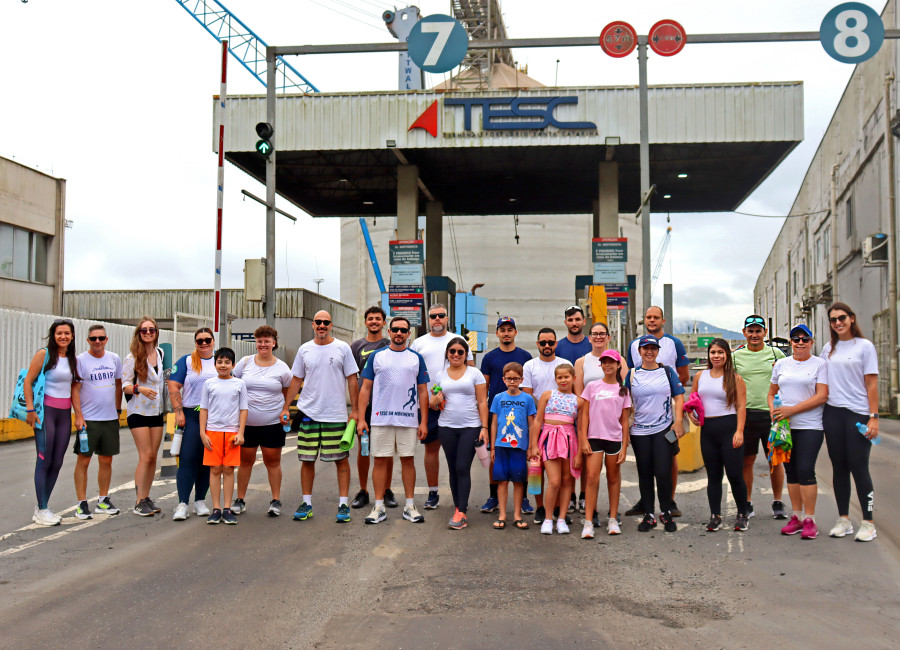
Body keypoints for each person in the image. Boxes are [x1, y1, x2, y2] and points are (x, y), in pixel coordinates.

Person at [280, 311, 359, 524]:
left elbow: (352, 380)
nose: (322, 325)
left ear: (330, 325)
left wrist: (356, 410)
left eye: (326, 322)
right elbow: (296, 380)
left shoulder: (343, 348)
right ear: (313, 325)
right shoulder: (305, 349)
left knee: (341, 460)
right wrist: (286, 407)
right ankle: (307, 503)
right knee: (307, 460)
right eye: (318, 322)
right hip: (308, 413)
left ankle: (343, 504)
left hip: (335, 414)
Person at [358, 316, 429, 525]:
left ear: (409, 334)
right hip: (381, 419)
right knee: (380, 460)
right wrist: (362, 419)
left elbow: (423, 391)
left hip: (408, 420)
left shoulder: (416, 358)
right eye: (395, 329)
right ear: (389, 332)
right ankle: (378, 506)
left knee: (408, 460)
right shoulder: (377, 357)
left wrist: (423, 421)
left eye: (403, 330)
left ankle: (409, 506)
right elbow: (365, 388)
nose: (399, 333)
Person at [821, 302, 879, 542]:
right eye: (833, 320)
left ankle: (868, 523)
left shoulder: (864, 347)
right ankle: (843, 519)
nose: (838, 323)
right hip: (833, 412)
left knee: (859, 465)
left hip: (858, 414)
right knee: (839, 466)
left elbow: (872, 384)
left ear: (852, 318)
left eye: (842, 318)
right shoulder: (828, 348)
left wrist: (873, 417)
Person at [625, 306, 689, 518]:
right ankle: (647, 504)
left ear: (663, 320)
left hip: (665, 414)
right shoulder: (634, 345)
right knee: (645, 468)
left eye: (656, 317)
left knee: (667, 462)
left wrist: (673, 413)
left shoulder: (674, 344)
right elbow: (627, 384)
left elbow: (684, 377)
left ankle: (669, 502)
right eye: (648, 317)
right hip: (641, 419)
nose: (652, 320)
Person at [410, 303, 474, 510]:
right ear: (428, 320)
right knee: (431, 449)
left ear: (447, 318)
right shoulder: (418, 343)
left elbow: (471, 371)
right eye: (433, 316)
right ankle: (433, 492)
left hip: (456, 405)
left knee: (458, 454)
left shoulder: (459, 340)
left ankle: (459, 496)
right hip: (429, 405)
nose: (437, 319)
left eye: (441, 315)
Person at [770, 324, 828, 540]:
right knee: (791, 471)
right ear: (791, 343)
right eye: (796, 339)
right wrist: (773, 412)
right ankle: (796, 516)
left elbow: (821, 396)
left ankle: (810, 520)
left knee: (805, 470)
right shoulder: (781, 364)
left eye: (805, 339)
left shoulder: (820, 365)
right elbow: (771, 392)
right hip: (785, 427)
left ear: (811, 342)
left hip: (810, 425)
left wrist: (791, 410)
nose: (800, 342)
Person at [688, 339, 750, 532]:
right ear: (709, 355)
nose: (716, 356)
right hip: (708, 430)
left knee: (734, 474)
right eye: (713, 352)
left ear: (727, 355)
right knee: (713, 476)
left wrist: (739, 431)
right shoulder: (700, 375)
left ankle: (742, 514)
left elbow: (741, 407)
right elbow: (693, 400)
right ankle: (715, 516)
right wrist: (690, 414)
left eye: (720, 352)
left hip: (729, 428)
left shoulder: (735, 378)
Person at [231, 325, 292, 517]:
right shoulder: (245, 362)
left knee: (272, 461)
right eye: (259, 341)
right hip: (246, 424)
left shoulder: (282, 367)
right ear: (255, 343)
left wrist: (285, 409)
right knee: (245, 461)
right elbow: (233, 384)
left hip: (272, 423)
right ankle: (240, 500)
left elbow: (288, 391)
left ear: (274, 343)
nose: (263, 344)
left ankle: (275, 500)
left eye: (267, 341)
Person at [23, 319, 80, 526]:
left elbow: (74, 388)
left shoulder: (72, 359)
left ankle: (42, 507)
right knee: (44, 460)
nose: (63, 337)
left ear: (72, 336)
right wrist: (30, 410)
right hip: (46, 413)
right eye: (59, 333)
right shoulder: (44, 355)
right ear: (53, 335)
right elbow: (28, 382)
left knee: (57, 461)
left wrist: (78, 415)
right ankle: (42, 509)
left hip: (64, 414)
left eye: (67, 333)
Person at [430, 337, 489, 529]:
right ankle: (458, 507)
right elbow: (433, 402)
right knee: (453, 468)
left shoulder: (475, 374)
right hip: (446, 427)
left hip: (470, 427)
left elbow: (482, 402)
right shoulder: (440, 375)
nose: (456, 354)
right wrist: (434, 401)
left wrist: (484, 427)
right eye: (452, 351)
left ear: (466, 355)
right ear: (447, 354)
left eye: (460, 352)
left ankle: (461, 511)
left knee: (463, 467)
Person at [733, 315, 787, 519]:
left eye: (758, 331)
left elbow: (788, 380)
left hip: (772, 415)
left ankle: (778, 501)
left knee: (775, 460)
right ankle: (747, 502)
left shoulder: (776, 353)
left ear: (765, 333)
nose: (754, 335)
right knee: (747, 460)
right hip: (746, 415)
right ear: (744, 332)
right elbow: (728, 384)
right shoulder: (736, 356)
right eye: (751, 331)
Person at [478, 316, 532, 515]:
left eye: (510, 329)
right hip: (497, 415)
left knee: (521, 457)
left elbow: (527, 388)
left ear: (515, 332)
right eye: (503, 330)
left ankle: (524, 498)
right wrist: (484, 419)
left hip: (519, 414)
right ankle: (493, 496)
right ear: (497, 333)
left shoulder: (525, 357)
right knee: (496, 457)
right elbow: (483, 389)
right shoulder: (490, 358)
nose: (506, 333)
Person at [71, 324, 123, 519]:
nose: (97, 342)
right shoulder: (80, 361)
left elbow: (118, 385)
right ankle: (81, 503)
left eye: (101, 338)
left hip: (109, 418)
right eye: (93, 338)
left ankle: (103, 500)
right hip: (89, 420)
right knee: (84, 459)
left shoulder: (114, 358)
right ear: (88, 341)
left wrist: (117, 410)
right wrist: (78, 415)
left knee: (106, 460)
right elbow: (74, 389)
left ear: (106, 339)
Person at [578, 349, 630, 538]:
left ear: (618, 365)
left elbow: (625, 420)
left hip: (614, 439)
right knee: (591, 477)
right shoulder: (592, 386)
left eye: (611, 362)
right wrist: (583, 438)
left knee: (613, 478)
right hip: (594, 438)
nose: (608, 365)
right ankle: (589, 522)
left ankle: (613, 519)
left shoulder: (623, 390)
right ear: (601, 365)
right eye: (604, 362)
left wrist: (624, 446)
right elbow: (584, 414)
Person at [349, 306, 396, 510]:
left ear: (384, 323)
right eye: (371, 319)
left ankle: (386, 490)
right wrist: (356, 411)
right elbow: (352, 378)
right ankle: (363, 491)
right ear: (365, 322)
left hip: (386, 406)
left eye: (378, 319)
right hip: (365, 407)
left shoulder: (390, 344)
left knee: (386, 450)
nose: (374, 321)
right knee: (364, 449)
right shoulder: (356, 346)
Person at [168, 327, 218, 520]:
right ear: (195, 343)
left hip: (215, 417)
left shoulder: (220, 360)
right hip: (192, 414)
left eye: (207, 340)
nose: (204, 344)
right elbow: (173, 385)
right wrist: (178, 411)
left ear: (213, 341)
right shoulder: (186, 361)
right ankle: (182, 503)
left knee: (207, 461)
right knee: (188, 458)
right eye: (200, 341)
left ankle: (199, 501)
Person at [574, 319, 621, 520]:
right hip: (590, 425)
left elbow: (623, 389)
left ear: (608, 337)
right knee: (590, 472)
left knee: (612, 474)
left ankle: (612, 513)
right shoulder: (582, 362)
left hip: (611, 428)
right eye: (595, 334)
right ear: (590, 337)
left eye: (603, 333)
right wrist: (583, 432)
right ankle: (589, 511)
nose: (599, 337)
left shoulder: (620, 360)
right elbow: (579, 395)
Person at [522, 327, 568, 524]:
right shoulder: (529, 366)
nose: (547, 346)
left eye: (551, 342)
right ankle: (540, 507)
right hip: (537, 423)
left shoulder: (565, 364)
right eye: (543, 343)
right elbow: (528, 397)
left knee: (560, 471)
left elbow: (569, 392)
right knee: (535, 468)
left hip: (561, 425)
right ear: (537, 344)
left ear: (556, 344)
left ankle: (557, 508)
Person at [530, 363, 581, 535]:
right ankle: (548, 518)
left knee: (567, 480)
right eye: (559, 377)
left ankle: (561, 519)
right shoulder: (547, 395)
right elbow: (537, 421)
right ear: (555, 379)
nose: (563, 380)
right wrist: (534, 445)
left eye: (566, 377)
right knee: (554, 481)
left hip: (568, 440)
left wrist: (580, 451)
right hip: (549, 438)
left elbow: (580, 428)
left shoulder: (578, 401)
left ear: (573, 378)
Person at [199, 347, 248, 524]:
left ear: (233, 365)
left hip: (232, 433)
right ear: (215, 364)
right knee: (214, 469)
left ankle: (227, 508)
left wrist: (241, 432)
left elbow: (243, 409)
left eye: (227, 362)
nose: (223, 365)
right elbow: (203, 409)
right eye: (220, 362)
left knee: (228, 470)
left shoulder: (239, 384)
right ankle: (216, 508)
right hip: (212, 432)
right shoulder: (209, 384)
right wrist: (202, 433)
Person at [123, 317, 166, 517]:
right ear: (138, 334)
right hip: (138, 411)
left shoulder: (160, 353)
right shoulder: (132, 357)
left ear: (156, 332)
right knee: (145, 455)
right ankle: (139, 501)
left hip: (156, 411)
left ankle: (146, 497)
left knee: (153, 457)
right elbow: (125, 386)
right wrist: (140, 389)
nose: (148, 333)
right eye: (144, 330)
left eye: (151, 329)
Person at [489, 362, 536, 530]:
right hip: (501, 446)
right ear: (503, 379)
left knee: (518, 481)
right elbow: (494, 423)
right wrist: (492, 446)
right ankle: (502, 514)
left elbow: (532, 424)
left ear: (521, 379)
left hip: (520, 447)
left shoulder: (527, 399)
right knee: (501, 481)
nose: (512, 382)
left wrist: (531, 446)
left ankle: (517, 515)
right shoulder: (498, 398)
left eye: (516, 379)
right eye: (509, 379)